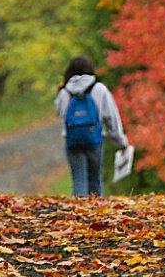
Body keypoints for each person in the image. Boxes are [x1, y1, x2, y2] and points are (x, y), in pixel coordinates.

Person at [55, 55, 129, 196]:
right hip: (95, 140)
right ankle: (98, 213)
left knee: (79, 180)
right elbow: (112, 117)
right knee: (95, 180)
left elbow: (59, 113)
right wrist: (121, 142)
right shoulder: (99, 88)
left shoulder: (65, 91)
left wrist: (60, 93)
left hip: (73, 141)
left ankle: (80, 213)